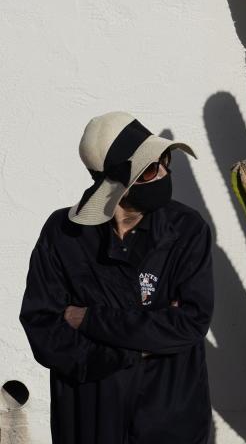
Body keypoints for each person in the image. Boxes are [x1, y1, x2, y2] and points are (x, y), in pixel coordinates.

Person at [19, 110, 215, 444]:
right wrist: (130, 351)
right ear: (114, 183)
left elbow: (189, 323)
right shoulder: (63, 234)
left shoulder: (187, 229)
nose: (165, 172)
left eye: (165, 160)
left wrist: (88, 318)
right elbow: (43, 326)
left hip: (170, 416)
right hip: (89, 417)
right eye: (151, 169)